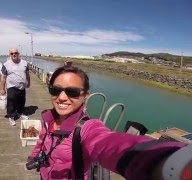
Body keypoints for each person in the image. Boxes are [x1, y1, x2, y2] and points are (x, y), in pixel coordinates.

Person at [26, 66, 186, 179]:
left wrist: (166, 159)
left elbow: (107, 143)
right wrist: (33, 157)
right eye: (55, 90)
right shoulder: (48, 118)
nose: (61, 97)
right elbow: (41, 142)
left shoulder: (86, 128)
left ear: (85, 96)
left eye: (72, 92)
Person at [0, 48, 31, 126]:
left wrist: (29, 83)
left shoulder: (25, 63)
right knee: (11, 102)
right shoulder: (6, 64)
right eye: (12, 53)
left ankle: (20, 113)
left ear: (18, 54)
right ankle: (11, 116)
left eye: (16, 53)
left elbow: (27, 74)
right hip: (11, 86)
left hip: (22, 86)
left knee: (21, 101)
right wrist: (2, 88)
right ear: (10, 55)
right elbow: (3, 77)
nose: (14, 54)